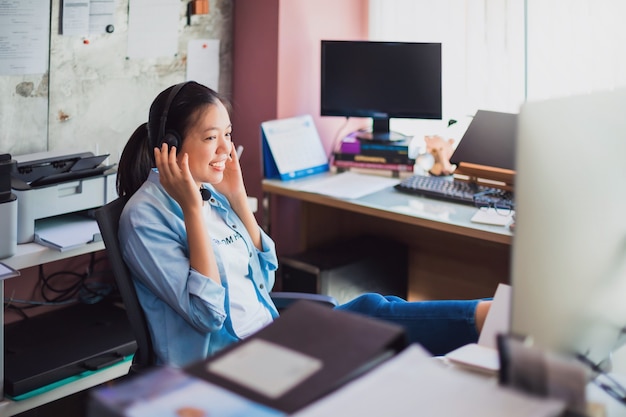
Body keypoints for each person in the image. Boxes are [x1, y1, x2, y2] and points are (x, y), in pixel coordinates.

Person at [116, 81, 492, 367]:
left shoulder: (208, 195)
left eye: (228, 135)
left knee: (376, 309)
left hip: (271, 340)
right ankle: (488, 320)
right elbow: (207, 315)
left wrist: (238, 199)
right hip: (230, 366)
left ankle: (488, 319)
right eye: (212, 138)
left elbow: (263, 281)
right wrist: (194, 212)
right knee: (374, 325)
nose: (226, 150)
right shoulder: (146, 217)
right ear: (169, 145)